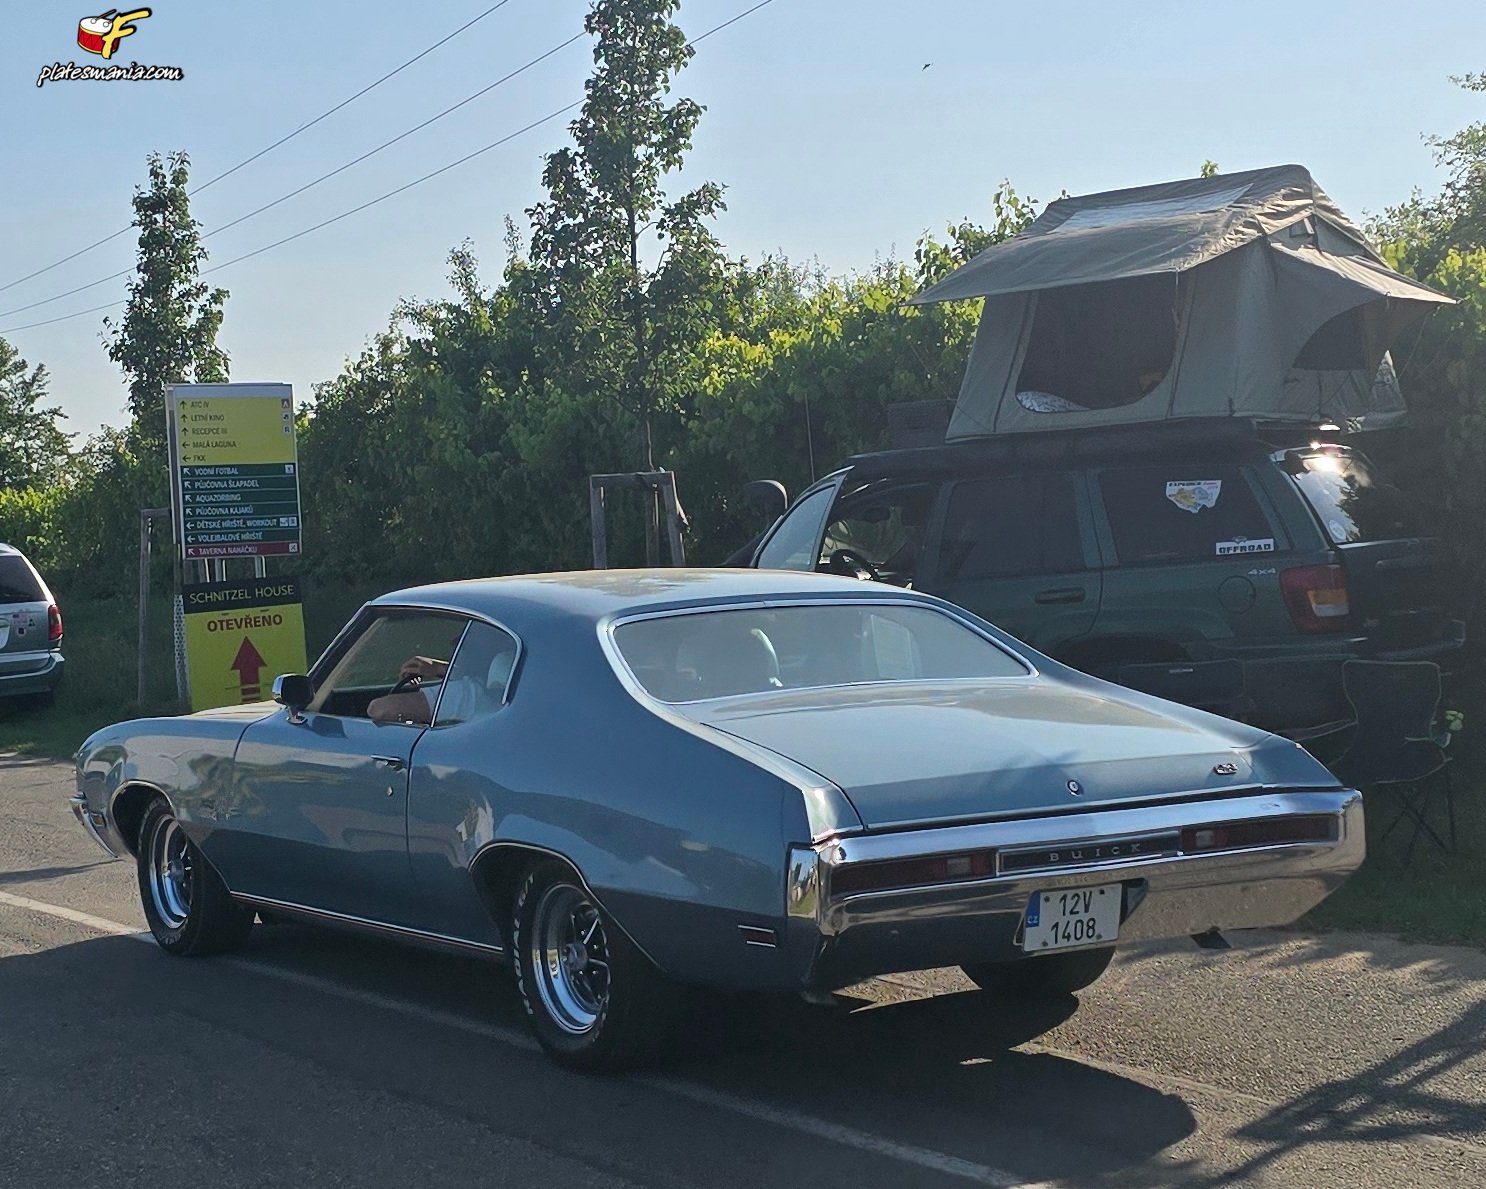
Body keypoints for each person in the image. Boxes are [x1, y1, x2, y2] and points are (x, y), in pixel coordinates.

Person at [368, 626, 514, 726]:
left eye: (473, 633)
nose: (456, 642)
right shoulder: (519, 684)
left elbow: (379, 709)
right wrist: (442, 669)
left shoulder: (470, 695)